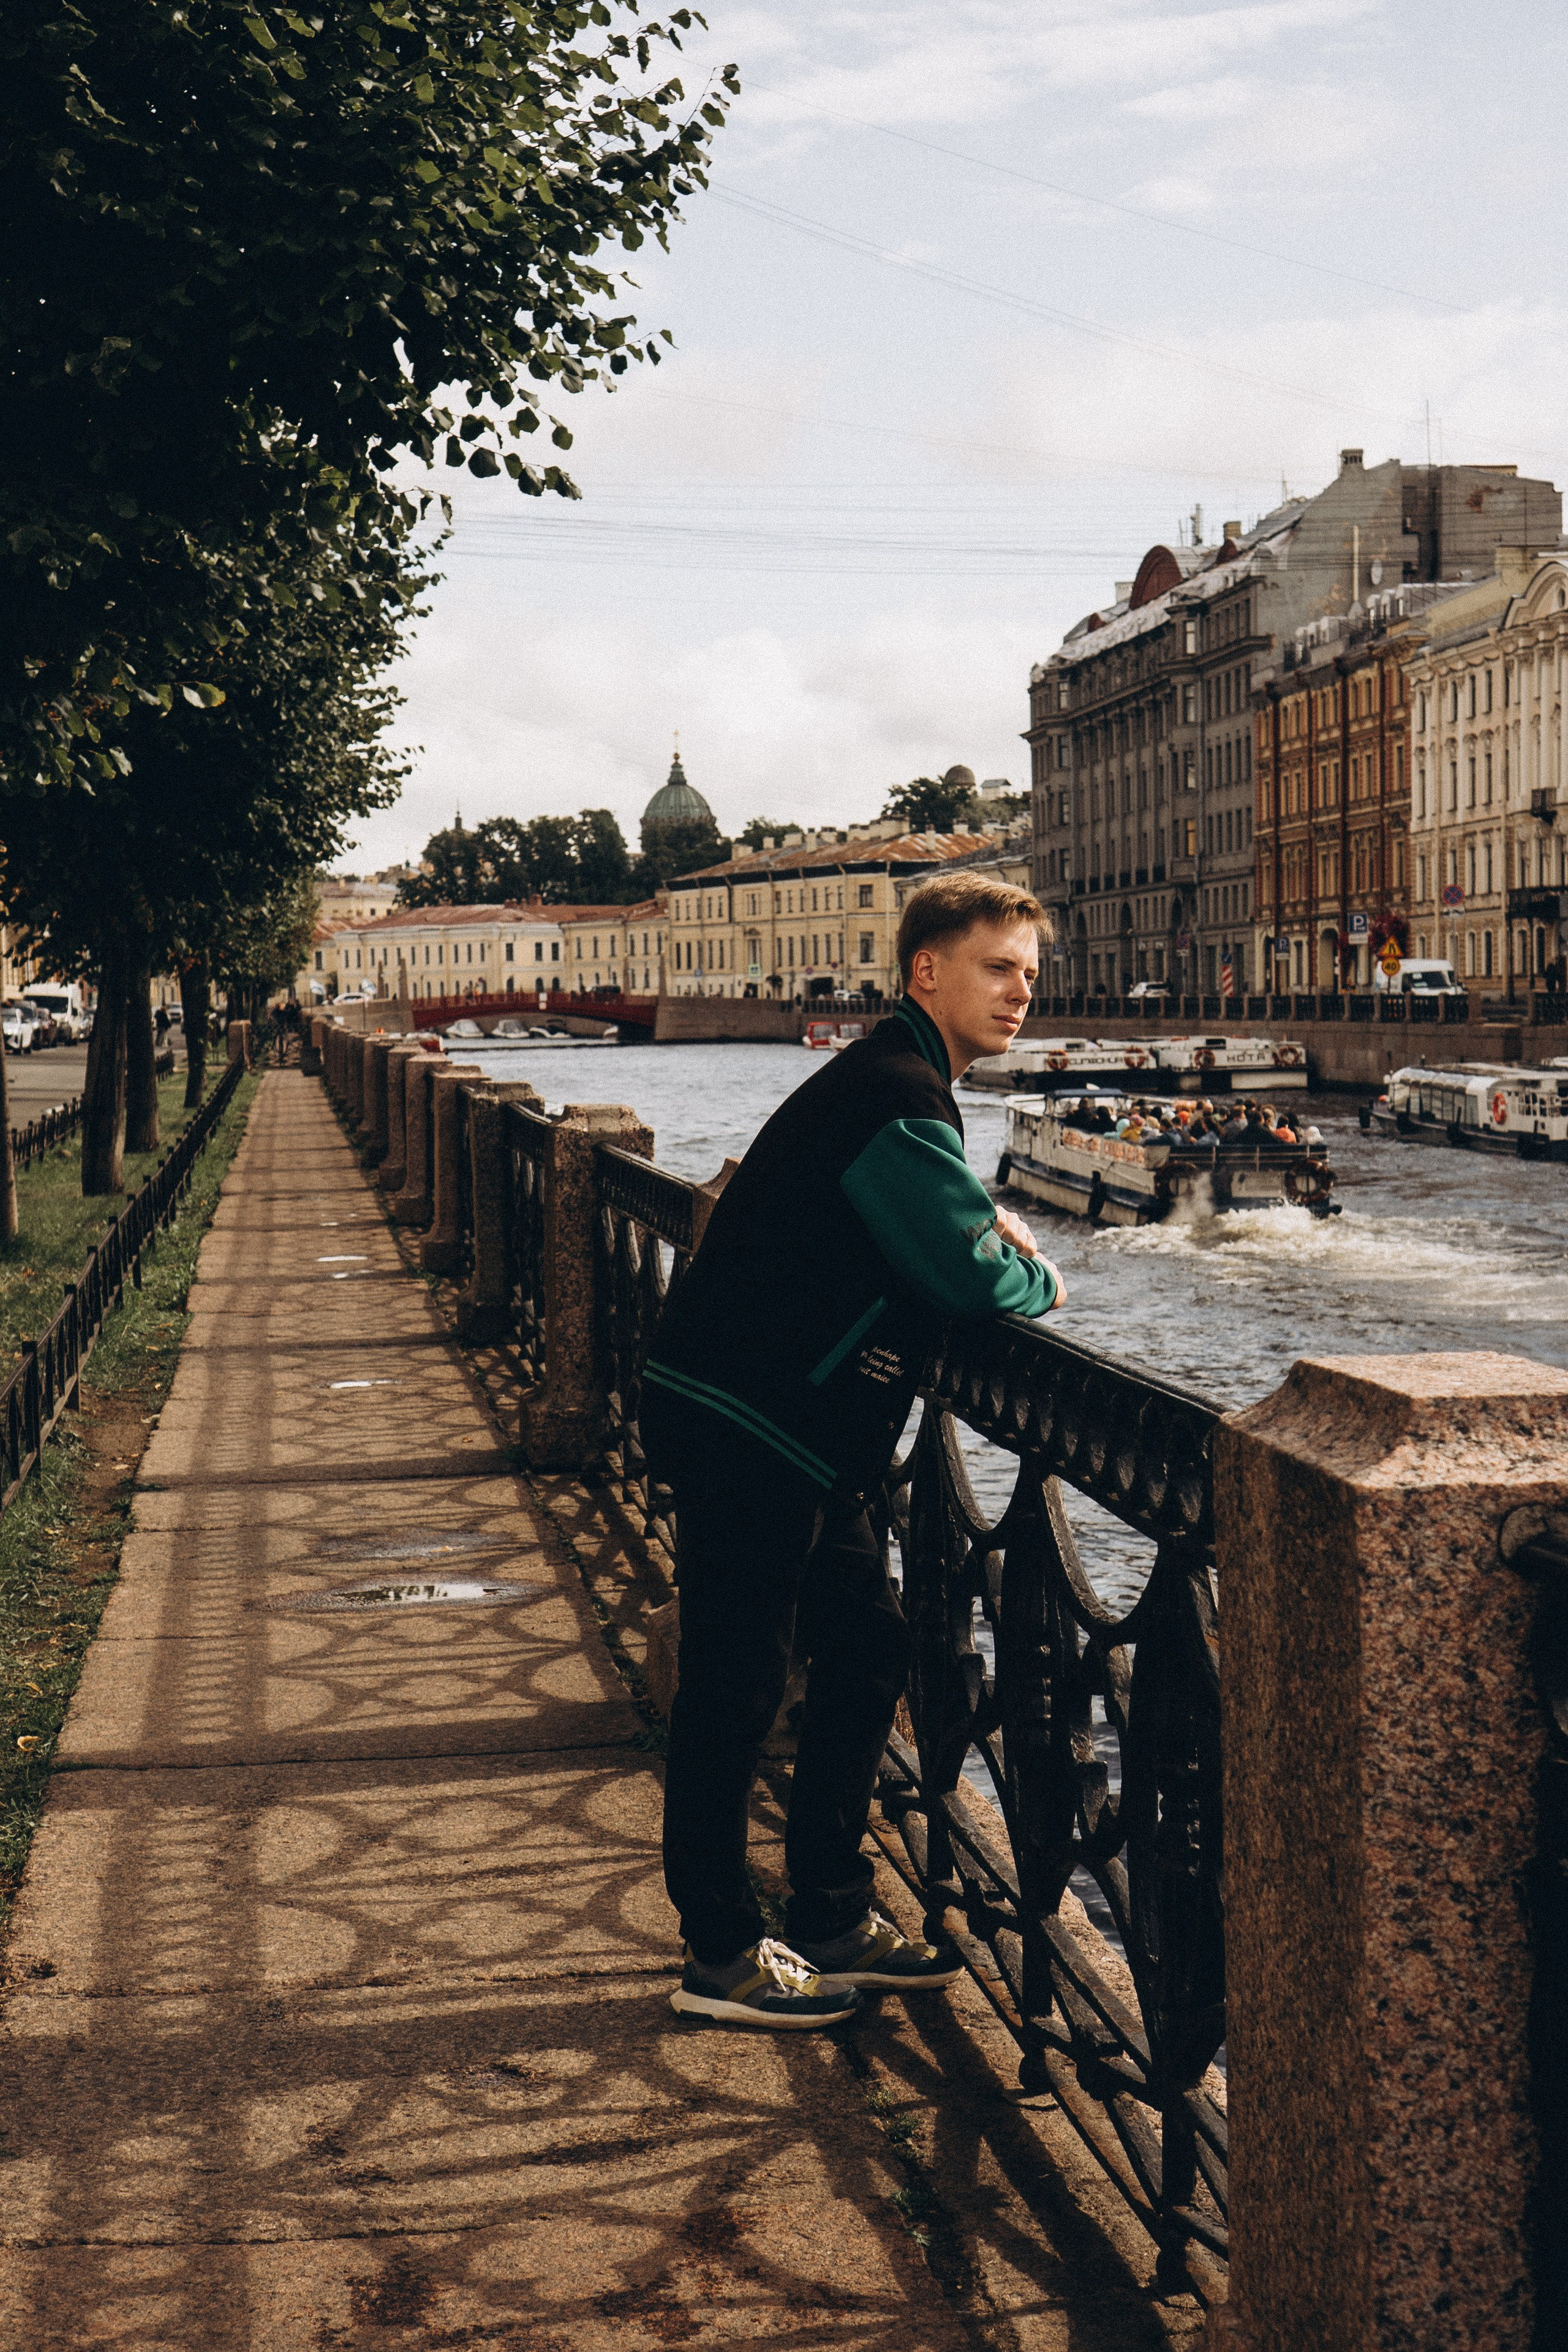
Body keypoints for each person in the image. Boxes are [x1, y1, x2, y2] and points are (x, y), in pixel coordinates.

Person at [642, 875, 1066, 2030]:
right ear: (928, 972)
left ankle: (829, 1910)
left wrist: (974, 1217)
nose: (1022, 990)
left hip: (798, 1425)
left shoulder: (901, 1080)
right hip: (755, 1420)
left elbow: (924, 1224)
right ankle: (722, 1952)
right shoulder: (895, 1089)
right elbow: (967, 1273)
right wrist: (1033, 1264)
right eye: (998, 967)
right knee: (736, 1680)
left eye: (1031, 971)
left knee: (869, 1648)